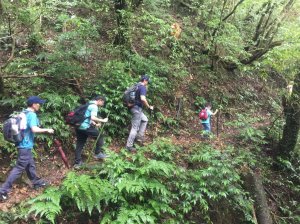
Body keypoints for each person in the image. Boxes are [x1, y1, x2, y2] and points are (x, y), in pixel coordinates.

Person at [0, 96, 55, 202]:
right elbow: (34, 129)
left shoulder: (24, 113)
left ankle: (36, 182)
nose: (40, 105)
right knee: (19, 168)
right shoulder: (32, 115)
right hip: (25, 146)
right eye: (39, 103)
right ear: (34, 104)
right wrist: (47, 130)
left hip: (23, 145)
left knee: (30, 165)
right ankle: (2, 191)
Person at [74, 95, 108, 168]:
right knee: (100, 136)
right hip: (85, 127)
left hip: (78, 126)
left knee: (80, 143)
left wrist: (95, 124)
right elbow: (93, 117)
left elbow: (87, 117)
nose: (103, 104)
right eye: (103, 103)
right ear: (100, 100)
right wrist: (103, 120)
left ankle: (77, 163)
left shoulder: (88, 104)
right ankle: (98, 153)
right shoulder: (94, 106)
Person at [126, 75, 154, 152]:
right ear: (144, 80)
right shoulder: (142, 87)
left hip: (133, 108)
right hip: (137, 109)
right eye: (147, 82)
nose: (147, 83)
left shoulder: (136, 85)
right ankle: (129, 146)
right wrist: (149, 107)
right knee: (135, 128)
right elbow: (143, 99)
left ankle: (139, 137)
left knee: (145, 119)